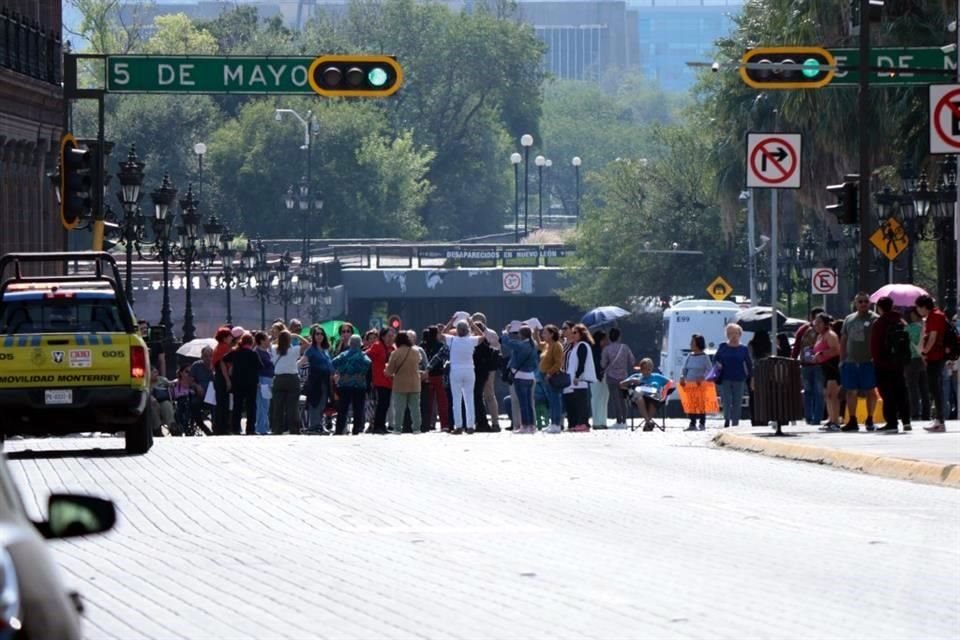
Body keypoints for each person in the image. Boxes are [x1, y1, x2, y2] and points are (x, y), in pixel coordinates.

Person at [869, 296, 911, 433]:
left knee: (887, 393)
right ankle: (906, 421)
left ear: (879, 308)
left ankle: (892, 422)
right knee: (901, 392)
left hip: (883, 364)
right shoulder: (901, 321)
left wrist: (876, 360)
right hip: (898, 363)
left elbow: (875, 346)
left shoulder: (879, 323)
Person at [840, 293, 879, 432]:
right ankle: (852, 420)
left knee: (871, 391)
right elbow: (844, 339)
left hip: (868, 361)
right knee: (851, 391)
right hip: (851, 361)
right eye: (860, 301)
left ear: (870, 303)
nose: (863, 304)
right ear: (855, 303)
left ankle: (870, 419)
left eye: (866, 301)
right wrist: (842, 359)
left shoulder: (875, 319)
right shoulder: (848, 319)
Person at [442, 316, 483, 434]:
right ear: (467, 329)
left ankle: (459, 426)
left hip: (455, 371)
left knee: (456, 400)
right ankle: (470, 426)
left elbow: (441, 335)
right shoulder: (471, 340)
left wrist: (450, 321)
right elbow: (482, 336)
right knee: (469, 399)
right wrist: (472, 324)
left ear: (457, 330)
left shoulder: (452, 340)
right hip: (469, 370)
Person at [915, 294, 948, 432]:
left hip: (935, 356)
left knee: (936, 388)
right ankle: (938, 420)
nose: (917, 310)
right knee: (934, 389)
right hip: (934, 357)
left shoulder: (935, 316)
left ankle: (940, 421)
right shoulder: (933, 316)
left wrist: (924, 352)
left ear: (923, 306)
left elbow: (933, 337)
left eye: (918, 307)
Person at [501, 325, 540, 434]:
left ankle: (525, 426)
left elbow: (506, 342)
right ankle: (532, 426)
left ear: (521, 335)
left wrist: (505, 332)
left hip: (520, 376)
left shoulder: (521, 345)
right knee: (529, 403)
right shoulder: (533, 345)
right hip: (530, 376)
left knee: (523, 403)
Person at [332, 334, 371, 436]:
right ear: (360, 344)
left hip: (345, 385)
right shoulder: (364, 356)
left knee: (343, 409)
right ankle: (356, 430)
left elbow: (333, 363)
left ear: (350, 343)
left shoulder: (343, 355)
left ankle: (339, 430)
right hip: (359, 386)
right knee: (358, 409)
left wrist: (341, 372)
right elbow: (368, 365)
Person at [224, 332, 262, 435]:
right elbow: (260, 367)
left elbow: (224, 359)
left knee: (237, 406)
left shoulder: (236, 352)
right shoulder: (253, 354)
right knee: (251, 406)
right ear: (251, 342)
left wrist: (232, 367)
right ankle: (250, 429)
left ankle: (235, 428)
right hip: (251, 383)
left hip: (237, 382)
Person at [714, 323, 752, 428]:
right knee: (726, 400)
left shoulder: (743, 349)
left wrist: (751, 377)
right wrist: (718, 364)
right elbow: (715, 359)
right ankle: (727, 419)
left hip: (739, 378)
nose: (733, 335)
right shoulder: (723, 346)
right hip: (725, 377)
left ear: (740, 334)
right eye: (730, 333)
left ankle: (735, 422)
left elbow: (749, 364)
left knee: (737, 401)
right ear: (727, 335)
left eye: (736, 333)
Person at [793, 307, 825, 426]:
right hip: (806, 365)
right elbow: (797, 346)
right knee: (808, 391)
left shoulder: (826, 331)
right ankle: (808, 416)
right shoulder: (803, 330)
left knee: (818, 391)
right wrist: (793, 360)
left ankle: (817, 418)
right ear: (811, 318)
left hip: (820, 365)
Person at [385, 331, 423, 434]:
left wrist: (386, 368)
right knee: (415, 408)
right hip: (415, 383)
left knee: (399, 408)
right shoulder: (415, 351)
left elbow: (389, 372)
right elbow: (419, 361)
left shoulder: (395, 353)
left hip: (400, 384)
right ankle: (417, 428)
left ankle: (397, 428)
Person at [562, 323, 596, 432]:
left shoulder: (582, 345)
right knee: (577, 403)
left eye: (575, 332)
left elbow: (582, 362)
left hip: (580, 379)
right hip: (574, 380)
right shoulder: (575, 346)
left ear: (581, 334)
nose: (573, 334)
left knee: (582, 403)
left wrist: (577, 376)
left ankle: (584, 423)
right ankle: (579, 423)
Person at [620, 358, 670, 432]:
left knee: (653, 400)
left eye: (648, 369)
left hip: (653, 397)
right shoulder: (636, 376)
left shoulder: (657, 376)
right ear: (641, 369)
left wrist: (664, 391)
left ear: (652, 368)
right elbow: (621, 384)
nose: (646, 371)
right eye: (644, 369)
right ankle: (648, 421)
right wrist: (632, 380)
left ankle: (647, 424)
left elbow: (671, 383)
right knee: (639, 397)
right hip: (639, 398)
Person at [301, 325, 334, 435]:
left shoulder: (325, 350)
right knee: (315, 403)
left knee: (323, 403)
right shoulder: (311, 349)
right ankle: (314, 425)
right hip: (315, 381)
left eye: (321, 334)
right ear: (313, 336)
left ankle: (319, 424)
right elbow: (302, 362)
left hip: (325, 381)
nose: (319, 336)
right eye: (317, 334)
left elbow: (330, 365)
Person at [813, 313, 843, 431]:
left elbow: (836, 350)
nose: (816, 325)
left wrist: (821, 354)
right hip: (824, 368)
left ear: (826, 324)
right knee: (827, 395)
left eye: (819, 322)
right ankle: (831, 419)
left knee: (833, 395)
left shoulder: (830, 335)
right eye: (815, 322)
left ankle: (836, 421)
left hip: (832, 367)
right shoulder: (820, 336)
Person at [601, 327, 635, 429]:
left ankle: (619, 420)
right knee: (623, 399)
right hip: (624, 378)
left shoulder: (606, 349)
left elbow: (603, 364)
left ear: (609, 337)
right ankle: (624, 420)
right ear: (619, 337)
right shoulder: (625, 348)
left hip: (611, 377)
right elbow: (632, 361)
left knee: (615, 399)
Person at [472, 313, 501, 431]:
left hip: (487, 368)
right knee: (481, 395)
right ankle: (485, 420)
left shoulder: (490, 334)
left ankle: (495, 422)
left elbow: (496, 350)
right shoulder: (491, 333)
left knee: (488, 394)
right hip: (479, 368)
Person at [365, 327, 396, 434]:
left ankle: (382, 425)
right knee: (381, 404)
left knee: (386, 404)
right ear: (383, 337)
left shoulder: (392, 348)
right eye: (389, 336)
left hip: (389, 380)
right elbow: (367, 354)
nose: (391, 338)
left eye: (392, 336)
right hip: (380, 379)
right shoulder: (378, 346)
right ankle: (378, 426)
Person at [270, 330, 301, 435]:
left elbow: (270, 344)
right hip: (292, 379)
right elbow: (308, 344)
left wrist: (278, 338)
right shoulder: (294, 350)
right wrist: (296, 335)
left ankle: (277, 429)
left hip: (278, 379)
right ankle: (294, 429)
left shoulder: (274, 350)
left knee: (278, 406)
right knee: (292, 406)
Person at [679, 334, 711, 431]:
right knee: (691, 404)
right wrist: (682, 377)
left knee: (700, 404)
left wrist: (703, 377)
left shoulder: (704, 357)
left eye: (692, 342)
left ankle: (702, 423)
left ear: (698, 344)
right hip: (690, 383)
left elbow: (709, 370)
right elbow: (684, 369)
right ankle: (692, 423)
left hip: (700, 384)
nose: (690, 344)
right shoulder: (690, 356)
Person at [423, 326, 451, 432]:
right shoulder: (440, 345)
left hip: (427, 376)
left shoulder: (423, 346)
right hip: (439, 375)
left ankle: (427, 423)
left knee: (428, 402)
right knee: (442, 402)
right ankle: (445, 424)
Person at [905, 307, 930, 421]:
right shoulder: (925, 327)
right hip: (924, 359)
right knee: (924, 388)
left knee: (913, 388)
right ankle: (926, 413)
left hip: (911, 359)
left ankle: (915, 413)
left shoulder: (908, 328)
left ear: (914, 315)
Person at [539, 324, 565, 433]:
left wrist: (550, 373)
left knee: (555, 401)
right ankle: (552, 423)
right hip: (545, 376)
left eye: (545, 333)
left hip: (553, 376)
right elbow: (538, 344)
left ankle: (556, 424)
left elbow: (558, 362)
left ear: (552, 334)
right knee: (551, 400)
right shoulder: (547, 345)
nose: (543, 335)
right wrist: (535, 332)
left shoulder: (556, 345)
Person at [211, 326, 234, 436]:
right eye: (229, 335)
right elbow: (223, 365)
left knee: (221, 403)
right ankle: (222, 428)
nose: (231, 337)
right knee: (223, 404)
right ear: (224, 337)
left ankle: (219, 428)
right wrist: (228, 380)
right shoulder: (224, 347)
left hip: (218, 377)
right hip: (222, 377)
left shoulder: (218, 347)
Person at [170, 364, 203, 436]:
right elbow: (171, 397)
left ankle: (186, 427)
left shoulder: (194, 384)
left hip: (191, 405)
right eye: (187, 372)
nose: (189, 374)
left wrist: (196, 387)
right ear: (181, 373)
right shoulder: (174, 384)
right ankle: (182, 427)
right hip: (179, 404)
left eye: (191, 372)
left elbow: (200, 395)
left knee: (189, 404)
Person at [254, 331, 274, 435]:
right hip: (262, 380)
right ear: (261, 341)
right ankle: (261, 427)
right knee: (262, 404)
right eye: (267, 339)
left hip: (269, 380)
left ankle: (265, 426)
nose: (269, 341)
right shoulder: (257, 352)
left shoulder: (267, 352)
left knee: (266, 404)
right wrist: (257, 381)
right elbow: (254, 368)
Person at [590, 330, 609, 429]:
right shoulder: (595, 351)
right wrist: (599, 375)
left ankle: (603, 421)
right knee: (597, 399)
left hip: (603, 377)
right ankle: (596, 422)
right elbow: (596, 365)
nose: (607, 341)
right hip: (596, 377)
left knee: (604, 398)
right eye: (605, 339)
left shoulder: (603, 350)